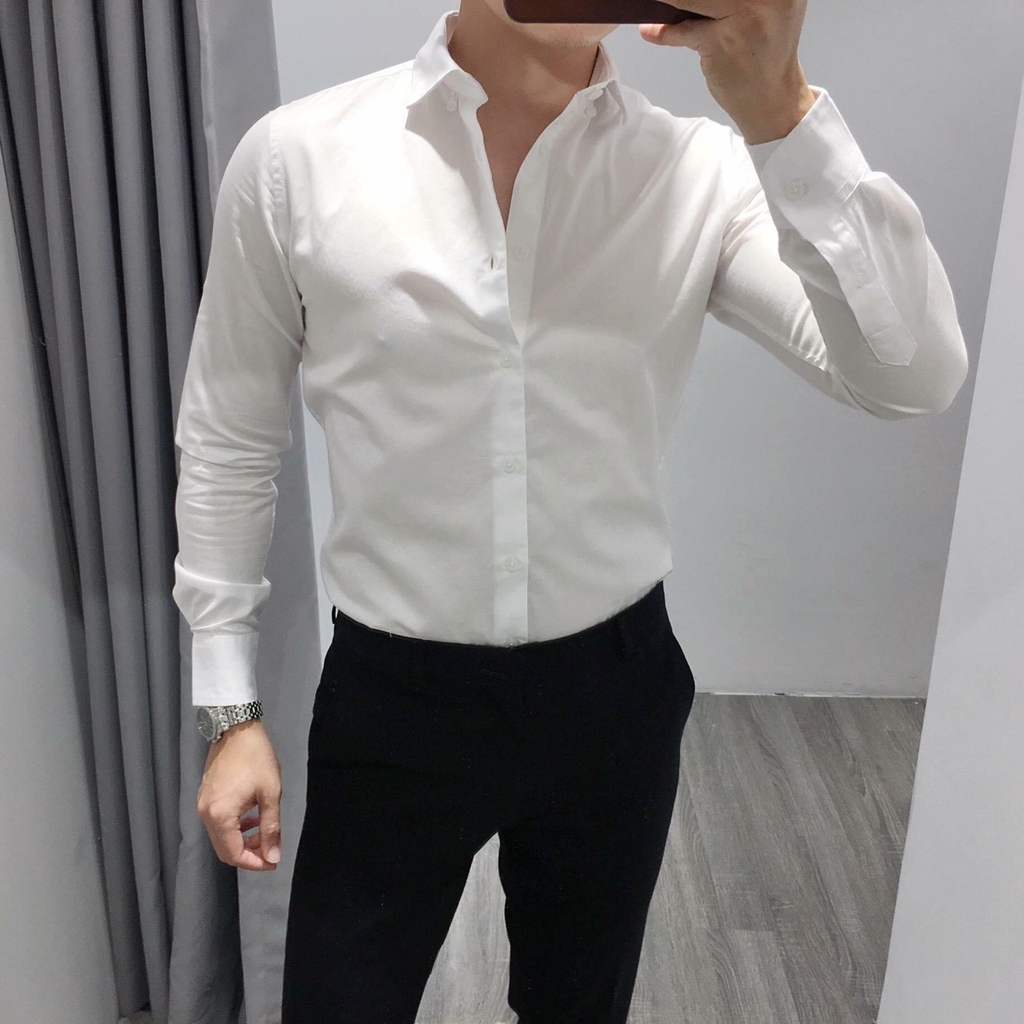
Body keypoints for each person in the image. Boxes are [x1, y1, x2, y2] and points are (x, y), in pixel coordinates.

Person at [172, 0, 969, 1021]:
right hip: (395, 699)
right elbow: (230, 435)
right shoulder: (299, 159)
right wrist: (229, 709)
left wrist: (782, 114)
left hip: (613, 695)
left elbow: (909, 377)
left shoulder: (699, 169)